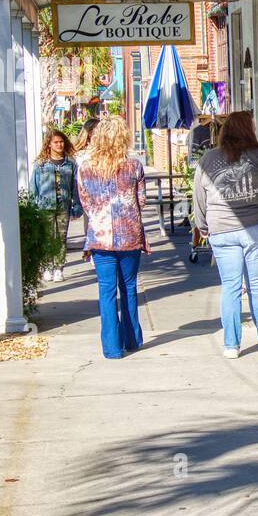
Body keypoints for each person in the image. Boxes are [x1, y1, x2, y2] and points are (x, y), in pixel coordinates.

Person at [193, 110, 258, 357]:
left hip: (221, 230)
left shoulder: (208, 159)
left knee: (231, 287)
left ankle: (231, 345)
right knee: (257, 285)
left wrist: (204, 228)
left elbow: (199, 199)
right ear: (249, 130)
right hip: (256, 227)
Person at [76, 114, 148, 359]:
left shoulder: (85, 168)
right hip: (129, 234)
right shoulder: (134, 166)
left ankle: (112, 347)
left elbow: (85, 202)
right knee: (128, 286)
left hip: (100, 234)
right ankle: (132, 339)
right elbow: (142, 200)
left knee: (106, 290)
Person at [30, 128, 82, 282]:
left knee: (61, 238)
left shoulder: (70, 163)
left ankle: (59, 268)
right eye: (56, 142)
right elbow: (34, 186)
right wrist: (33, 207)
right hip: (45, 206)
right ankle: (47, 267)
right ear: (49, 144)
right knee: (47, 237)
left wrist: (77, 206)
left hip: (63, 206)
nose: (59, 145)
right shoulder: (41, 164)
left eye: (61, 142)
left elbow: (75, 186)